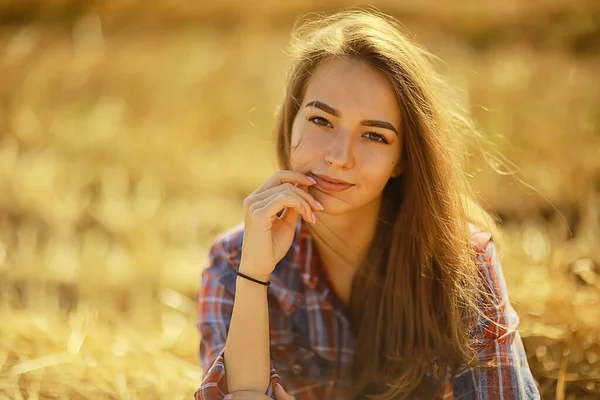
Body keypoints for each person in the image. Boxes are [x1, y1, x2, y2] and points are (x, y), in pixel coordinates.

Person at [194, 8, 540, 400]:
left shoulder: (462, 264)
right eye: (321, 121)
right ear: (291, 121)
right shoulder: (231, 261)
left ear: (403, 159)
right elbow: (240, 395)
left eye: (374, 136)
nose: (339, 157)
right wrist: (255, 274)